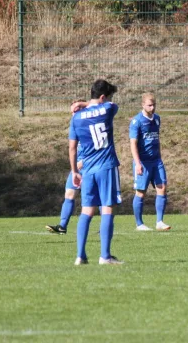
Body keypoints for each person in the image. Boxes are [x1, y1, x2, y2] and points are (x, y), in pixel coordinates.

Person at [69, 79, 123, 265]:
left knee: (87, 210)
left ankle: (80, 256)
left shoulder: (76, 118)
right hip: (107, 166)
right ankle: (105, 257)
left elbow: (72, 149)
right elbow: (111, 105)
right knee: (107, 208)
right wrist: (85, 103)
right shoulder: (108, 109)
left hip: (88, 170)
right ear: (103, 97)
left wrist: (75, 171)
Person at [129, 93, 171, 231]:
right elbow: (133, 143)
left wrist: (159, 156)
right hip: (143, 162)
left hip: (156, 161)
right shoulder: (137, 121)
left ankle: (159, 222)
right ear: (142, 105)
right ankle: (139, 224)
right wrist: (138, 163)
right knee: (141, 192)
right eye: (149, 105)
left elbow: (156, 139)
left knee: (162, 188)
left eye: (154, 105)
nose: (152, 108)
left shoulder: (157, 119)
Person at [45, 142, 84, 235]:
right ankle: (62, 226)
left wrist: (84, 162)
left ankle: (105, 227)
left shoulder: (92, 129)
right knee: (69, 194)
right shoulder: (76, 129)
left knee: (97, 197)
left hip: (90, 167)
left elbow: (99, 150)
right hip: (76, 169)